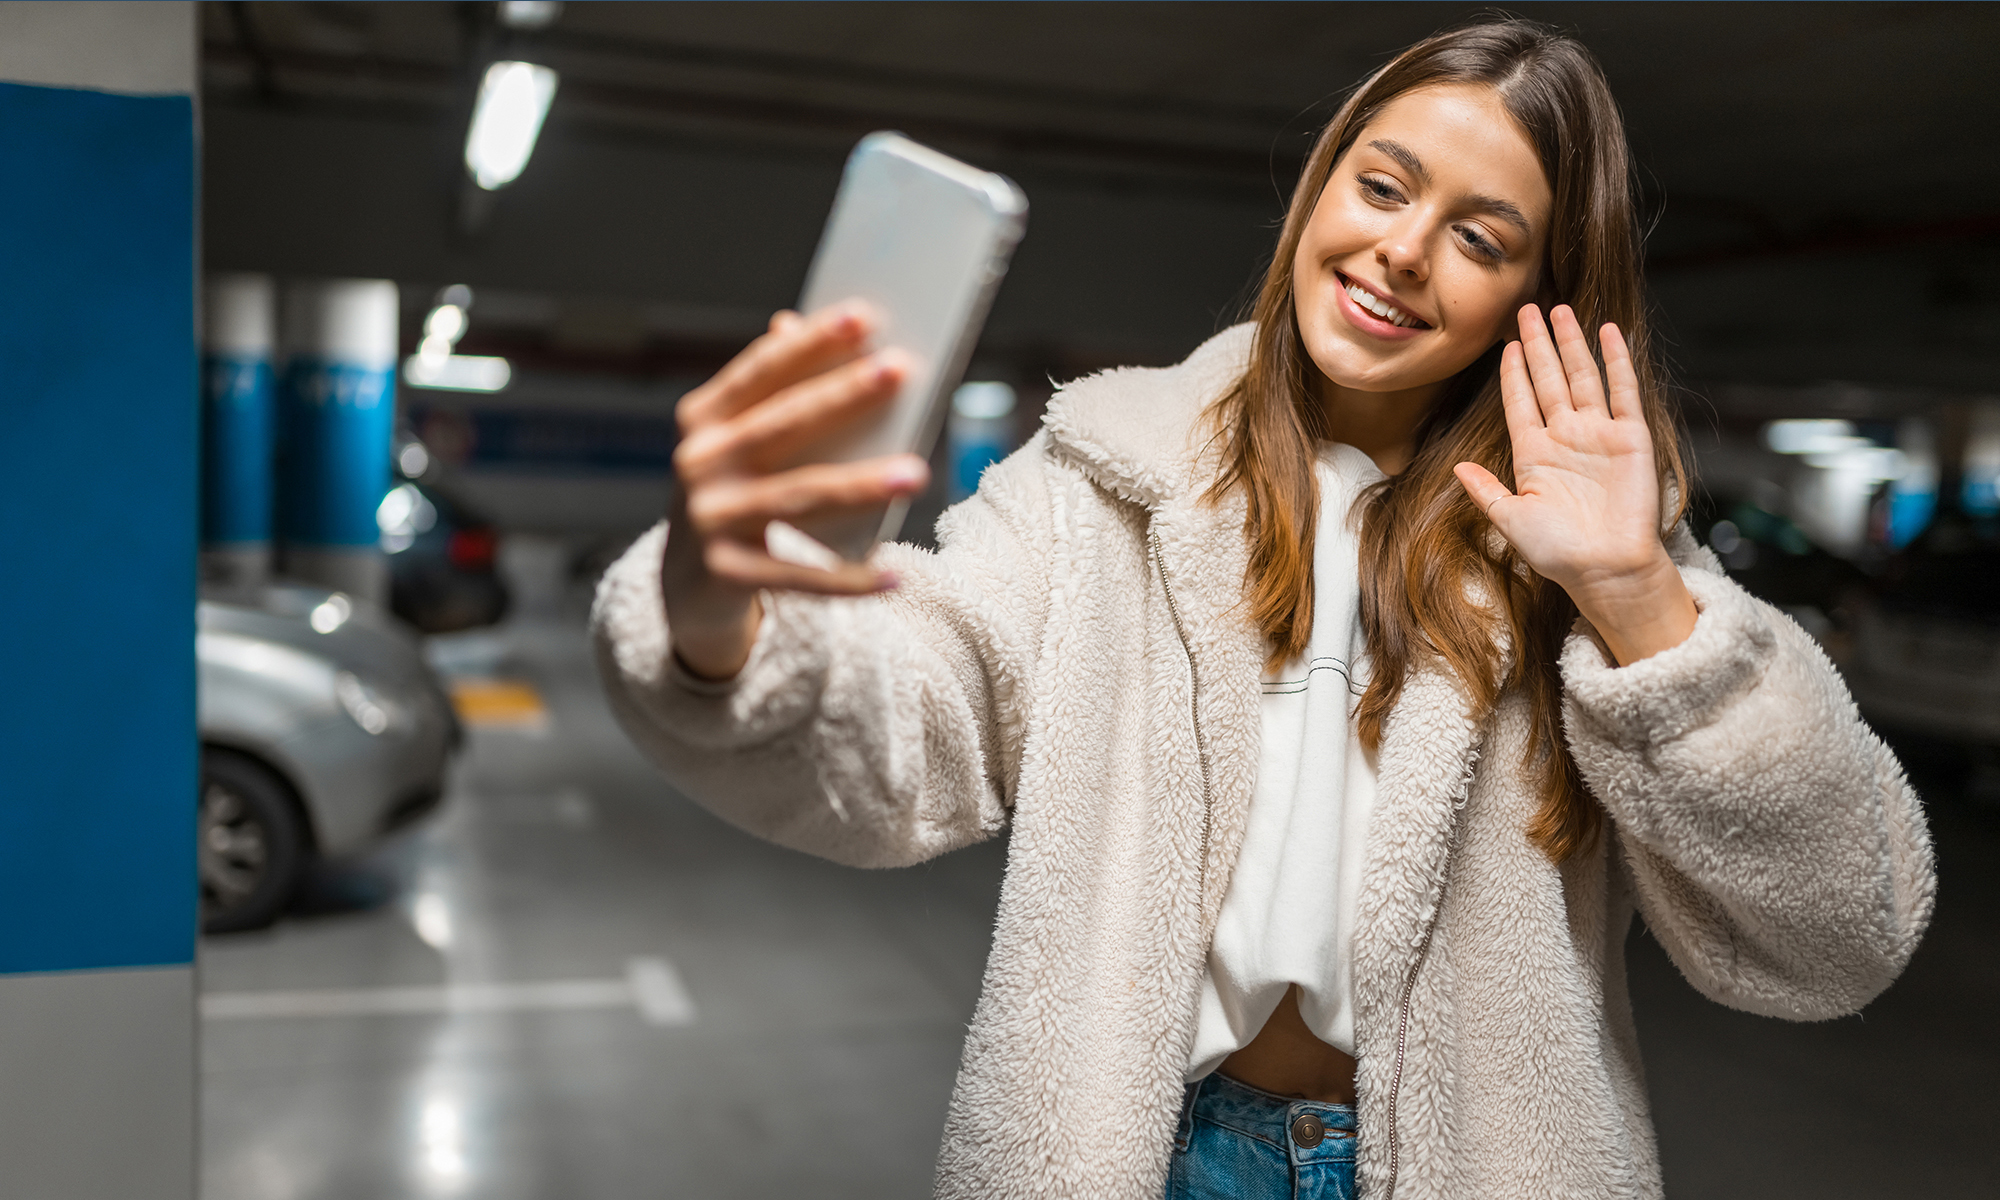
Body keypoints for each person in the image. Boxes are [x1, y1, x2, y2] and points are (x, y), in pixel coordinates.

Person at [593, 19, 1934, 1200]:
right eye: (1383, 184)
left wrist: (1638, 592)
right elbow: (915, 719)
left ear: (1537, 298)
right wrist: (723, 611)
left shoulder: (1594, 552)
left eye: (1479, 237)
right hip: (1151, 1159)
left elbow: (1838, 931)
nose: (1403, 252)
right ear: (1321, 188)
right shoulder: (1109, 473)